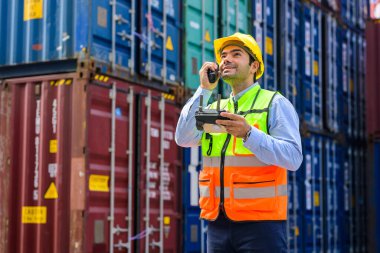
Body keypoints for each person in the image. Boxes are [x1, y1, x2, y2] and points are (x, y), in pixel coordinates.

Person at [175, 32, 303, 253]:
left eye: (236, 54)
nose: (226, 59)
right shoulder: (215, 106)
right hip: (217, 224)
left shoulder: (274, 103)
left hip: (262, 226)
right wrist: (204, 90)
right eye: (223, 55)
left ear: (254, 66)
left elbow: (293, 158)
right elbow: (183, 137)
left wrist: (249, 134)